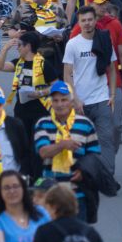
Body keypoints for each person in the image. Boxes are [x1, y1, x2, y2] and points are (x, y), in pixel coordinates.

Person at [34, 82, 102, 220]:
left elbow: (94, 156)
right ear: (50, 102)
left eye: (64, 100)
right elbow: (43, 152)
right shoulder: (43, 123)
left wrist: (84, 172)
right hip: (50, 195)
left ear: (71, 102)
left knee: (76, 239)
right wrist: (62, 145)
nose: (60, 104)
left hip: (77, 195)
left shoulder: (85, 124)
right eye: (56, 100)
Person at [63, 7, 117, 172]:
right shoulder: (73, 44)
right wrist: (74, 98)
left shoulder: (104, 40)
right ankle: (84, 174)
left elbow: (112, 68)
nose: (87, 23)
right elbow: (67, 74)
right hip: (80, 101)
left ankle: (107, 175)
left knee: (107, 139)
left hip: (101, 98)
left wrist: (112, 94)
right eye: (83, 20)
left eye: (89, 20)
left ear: (95, 21)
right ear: (79, 23)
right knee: (80, 141)